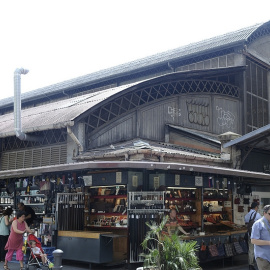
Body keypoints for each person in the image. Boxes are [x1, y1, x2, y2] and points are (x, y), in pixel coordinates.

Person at [251, 205, 270, 270]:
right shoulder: (258, 224)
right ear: (264, 213)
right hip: (263, 256)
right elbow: (253, 241)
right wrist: (269, 243)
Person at [244, 201, 261, 270]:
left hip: (249, 234)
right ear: (256, 207)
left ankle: (250, 264)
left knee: (251, 250)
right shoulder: (258, 215)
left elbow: (246, 225)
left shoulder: (247, 215)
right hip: (257, 236)